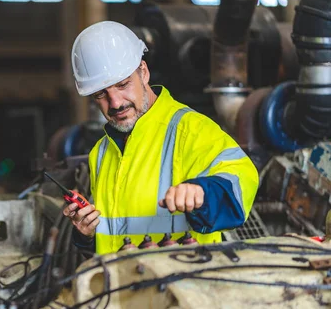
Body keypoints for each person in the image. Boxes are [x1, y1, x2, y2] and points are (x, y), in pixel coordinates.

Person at [64, 21, 259, 255]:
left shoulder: (191, 130)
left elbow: (243, 179)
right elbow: (112, 235)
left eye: (123, 85)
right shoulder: (101, 152)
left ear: (143, 72)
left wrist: (203, 192)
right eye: (100, 94)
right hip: (118, 286)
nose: (115, 102)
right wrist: (87, 234)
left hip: (179, 287)